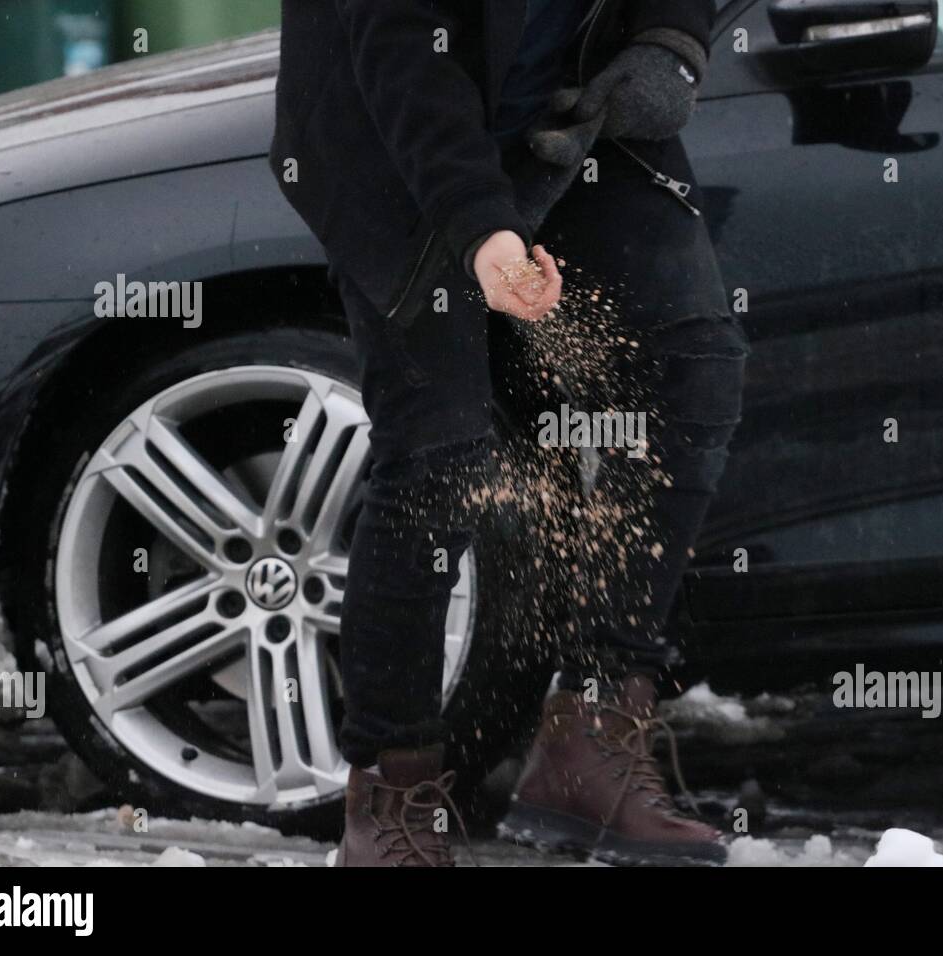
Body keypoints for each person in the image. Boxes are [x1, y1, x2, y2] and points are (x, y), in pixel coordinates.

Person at [271, 0, 748, 867]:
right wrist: (483, 230)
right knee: (438, 450)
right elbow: (401, 49)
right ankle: (392, 797)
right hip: (397, 133)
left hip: (570, 114)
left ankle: (592, 739)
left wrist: (669, 39)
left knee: (693, 369)